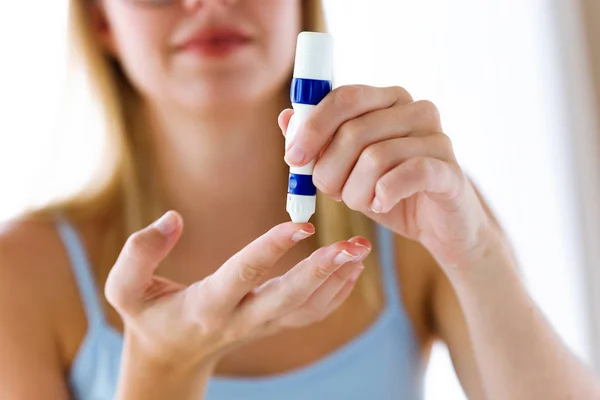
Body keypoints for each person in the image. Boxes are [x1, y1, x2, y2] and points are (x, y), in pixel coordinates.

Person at [1, 0, 599, 399]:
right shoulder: (23, 274)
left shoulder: (416, 210)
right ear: (102, 20)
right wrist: (161, 368)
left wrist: (476, 254)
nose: (209, 2)